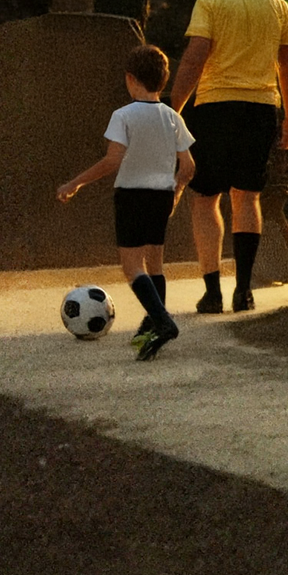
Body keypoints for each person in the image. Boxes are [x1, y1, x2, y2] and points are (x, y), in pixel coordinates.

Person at [169, 0, 288, 313]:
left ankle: (212, 290)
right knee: (247, 197)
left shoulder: (210, 2)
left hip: (213, 107)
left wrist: (173, 111)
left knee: (205, 199)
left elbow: (195, 58)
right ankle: (244, 289)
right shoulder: (278, 6)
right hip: (260, 109)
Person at [57, 43, 196, 360]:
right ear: (163, 80)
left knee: (133, 267)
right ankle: (149, 332)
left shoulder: (123, 116)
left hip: (132, 195)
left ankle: (163, 323)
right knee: (155, 262)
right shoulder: (173, 117)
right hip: (161, 195)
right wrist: (175, 193)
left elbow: (112, 161)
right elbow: (188, 167)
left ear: (130, 79)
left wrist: (75, 182)